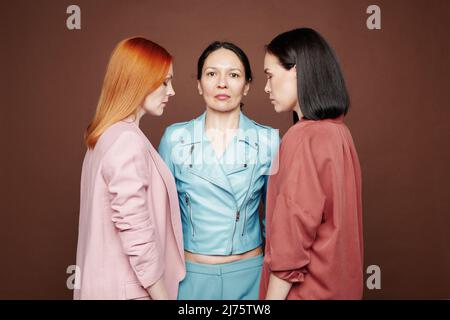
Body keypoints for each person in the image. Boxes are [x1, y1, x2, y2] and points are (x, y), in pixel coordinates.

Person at [158, 41, 279, 300]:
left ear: (246, 85)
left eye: (233, 75)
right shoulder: (174, 138)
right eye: (212, 74)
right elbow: (160, 219)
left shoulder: (269, 141)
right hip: (190, 278)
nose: (222, 83)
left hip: (251, 276)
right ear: (199, 83)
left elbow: (277, 221)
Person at [74, 37, 185, 300]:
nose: (171, 91)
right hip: (130, 292)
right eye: (165, 81)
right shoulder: (126, 140)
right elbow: (135, 229)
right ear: (139, 80)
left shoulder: (104, 136)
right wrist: (161, 296)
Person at [259, 28, 364, 300]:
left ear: (296, 71)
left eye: (270, 75)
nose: (266, 87)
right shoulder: (339, 132)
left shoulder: (304, 137)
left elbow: (292, 237)